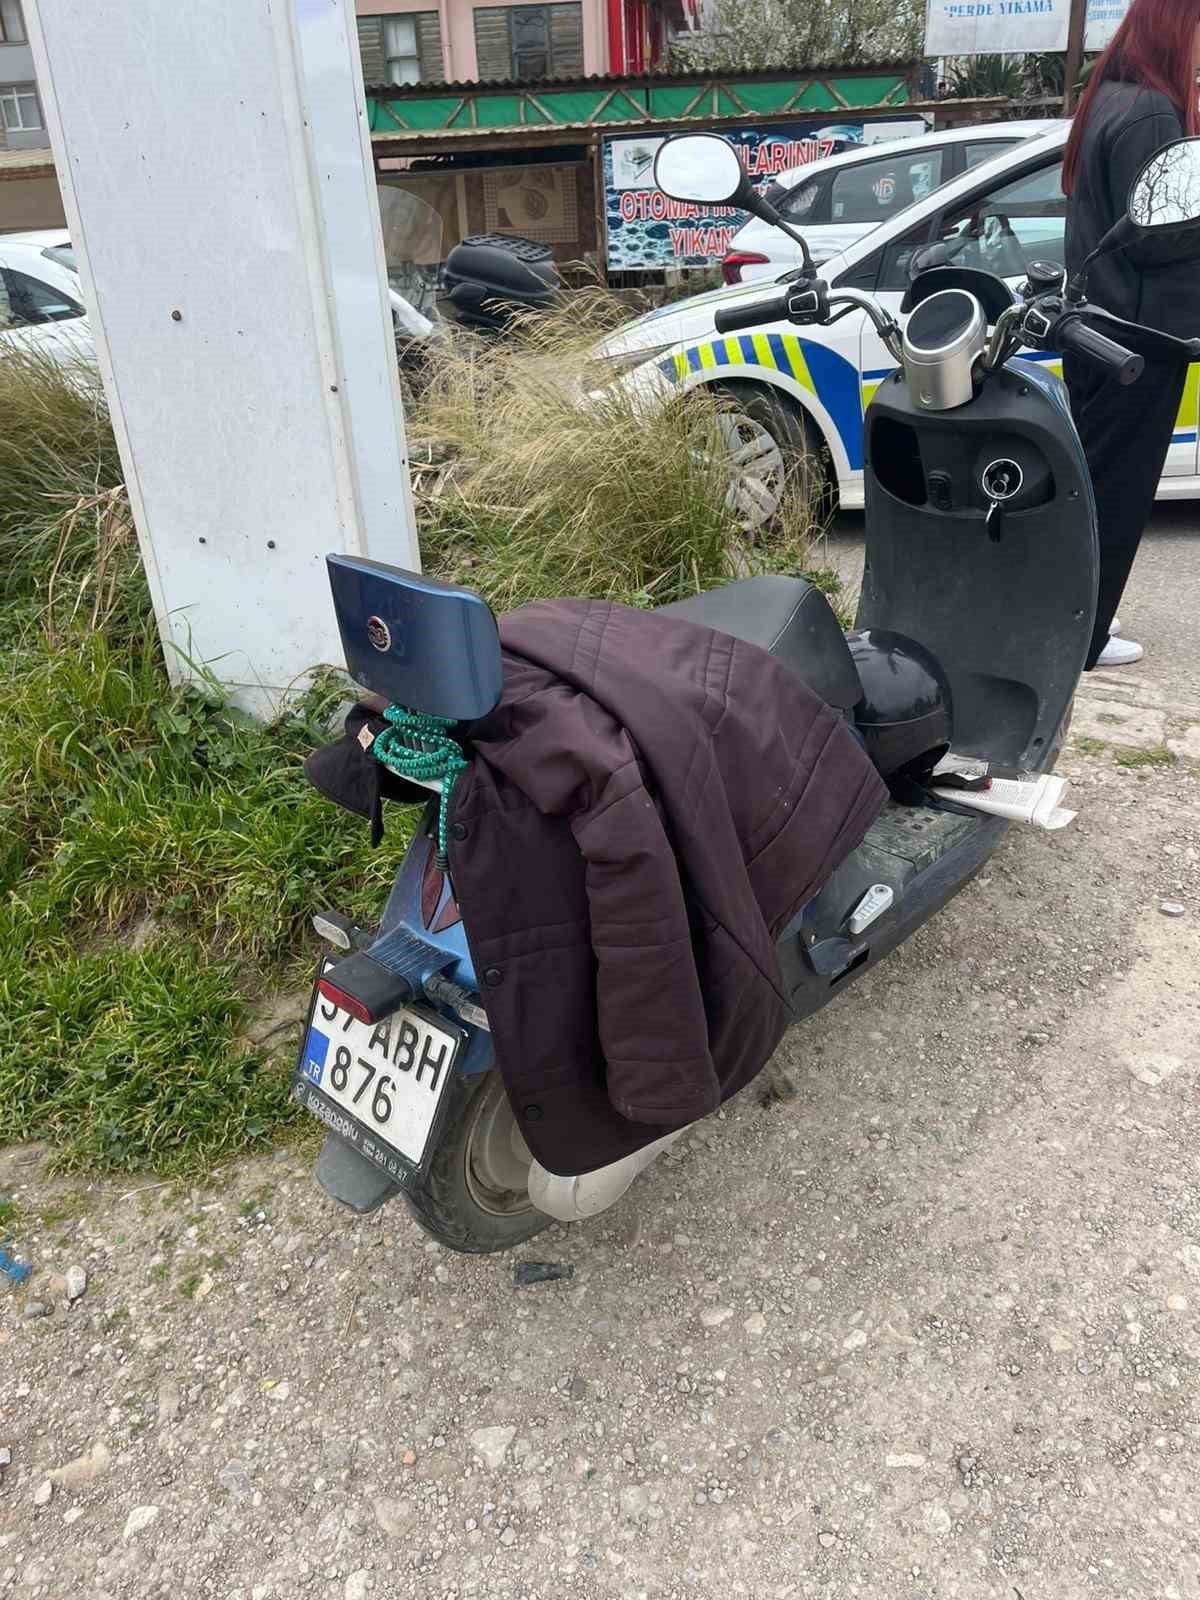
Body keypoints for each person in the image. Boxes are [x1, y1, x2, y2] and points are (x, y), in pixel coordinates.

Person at [1063, 0, 1200, 667]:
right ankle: (1085, 636)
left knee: (1093, 487)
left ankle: (1075, 614)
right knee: (1116, 495)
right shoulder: (1151, 112)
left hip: (1102, 325)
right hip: (1141, 339)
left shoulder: (1111, 99)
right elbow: (1158, 236)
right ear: (1177, 27)